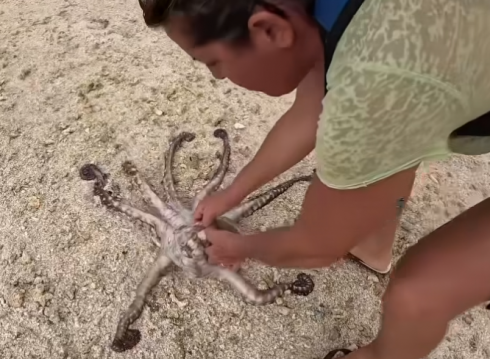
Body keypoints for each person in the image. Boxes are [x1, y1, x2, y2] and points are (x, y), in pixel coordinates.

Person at [136, 0, 490, 358]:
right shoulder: (310, 15)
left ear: (269, 30)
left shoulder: (371, 88)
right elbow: (310, 108)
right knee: (386, 151)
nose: (219, 76)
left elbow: (317, 247)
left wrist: (239, 248)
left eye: (214, 62)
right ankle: (371, 247)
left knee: (417, 294)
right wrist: (232, 193)